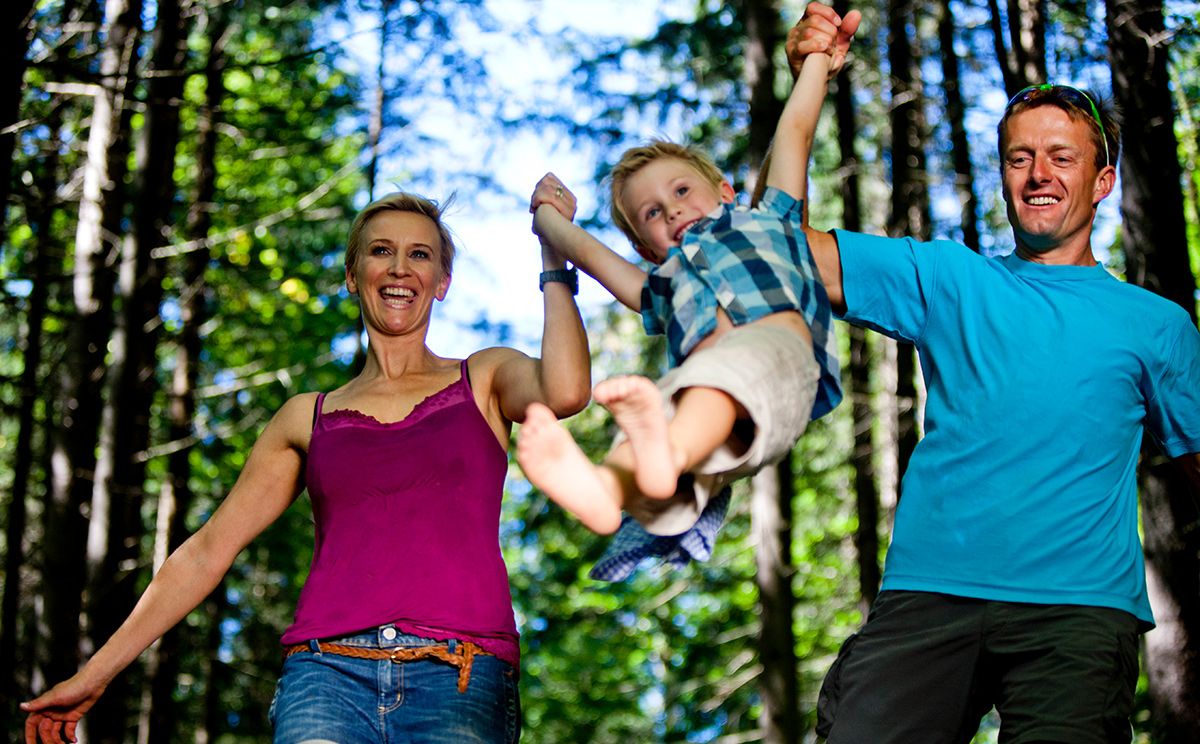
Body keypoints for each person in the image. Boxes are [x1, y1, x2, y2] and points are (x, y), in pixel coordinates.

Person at [21, 191, 591, 744]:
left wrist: (553, 255)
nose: (399, 267)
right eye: (381, 250)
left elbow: (566, 391)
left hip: (459, 674)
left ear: (441, 282)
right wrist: (95, 673)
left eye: (420, 254)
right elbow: (206, 551)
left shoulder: (484, 377)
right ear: (352, 275)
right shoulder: (306, 417)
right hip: (326, 676)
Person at [789, 4, 1200, 742]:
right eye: (1019, 158)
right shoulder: (950, 277)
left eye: (1062, 157)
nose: (1039, 174)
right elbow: (781, 251)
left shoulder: (1157, 325)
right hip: (928, 596)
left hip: (1078, 615)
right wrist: (809, 79)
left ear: (1102, 181)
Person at [514, 28, 850, 574]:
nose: (670, 209)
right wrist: (546, 218)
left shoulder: (771, 219)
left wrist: (816, 60)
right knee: (658, 414)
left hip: (778, 361)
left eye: (681, 190)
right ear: (646, 249)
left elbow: (796, 129)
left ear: (724, 191)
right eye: (651, 212)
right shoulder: (660, 284)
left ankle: (662, 454)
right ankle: (605, 489)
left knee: (699, 391)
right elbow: (589, 254)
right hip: (708, 401)